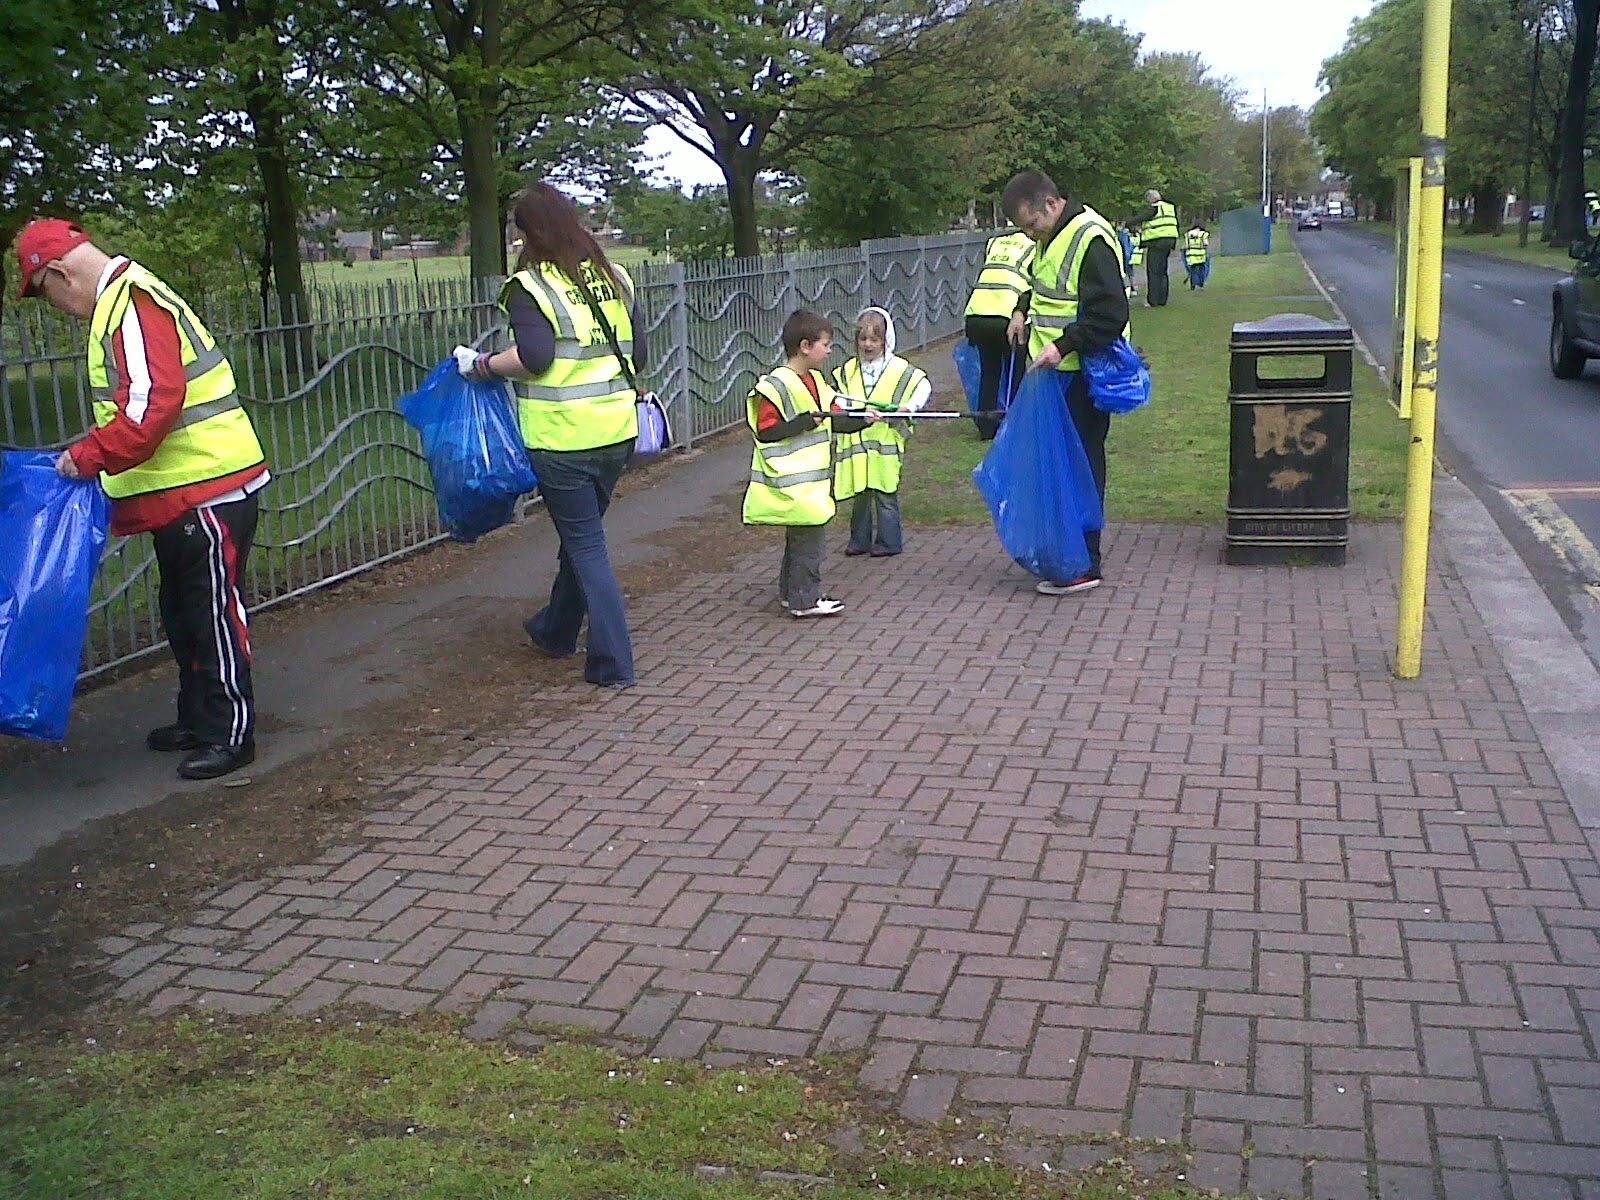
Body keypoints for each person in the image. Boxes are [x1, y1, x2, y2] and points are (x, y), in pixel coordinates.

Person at [16, 219, 269, 779]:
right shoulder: (126, 301)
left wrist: (87, 456)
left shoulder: (130, 304)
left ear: (59, 273)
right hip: (190, 490)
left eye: (45, 295)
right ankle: (200, 718)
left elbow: (150, 409)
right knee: (184, 611)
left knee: (211, 614)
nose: (54, 307)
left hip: (207, 487)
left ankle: (231, 731)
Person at [462, 181, 646, 688]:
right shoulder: (615, 277)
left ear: (529, 233)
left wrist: (483, 365)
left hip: (563, 439)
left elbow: (535, 358)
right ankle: (557, 629)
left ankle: (613, 663)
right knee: (580, 535)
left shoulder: (532, 287)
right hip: (618, 431)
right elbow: (641, 355)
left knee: (586, 545)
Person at [1002, 169, 1130, 596]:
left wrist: (1062, 345)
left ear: (1052, 205)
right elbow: (1046, 287)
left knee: (1079, 465)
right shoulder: (1052, 237)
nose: (1030, 234)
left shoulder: (1089, 238)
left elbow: (1109, 315)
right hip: (1055, 373)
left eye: (1031, 224)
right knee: (1058, 465)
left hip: (1080, 373)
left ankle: (1083, 563)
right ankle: (1065, 554)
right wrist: (1021, 309)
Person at [743, 309, 874, 617]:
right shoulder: (776, 385)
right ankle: (805, 599)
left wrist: (862, 421)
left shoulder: (816, 380)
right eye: (825, 345)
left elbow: (831, 421)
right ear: (805, 346)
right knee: (809, 544)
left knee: (800, 541)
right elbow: (766, 431)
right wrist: (802, 423)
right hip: (791, 483)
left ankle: (793, 594)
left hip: (810, 485)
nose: (829, 351)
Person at [831, 306, 931, 558]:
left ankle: (889, 541)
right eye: (863, 339)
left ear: (885, 340)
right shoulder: (848, 370)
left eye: (874, 339)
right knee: (860, 495)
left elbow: (922, 386)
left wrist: (910, 407)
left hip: (885, 443)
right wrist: (846, 412)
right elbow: (838, 398)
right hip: (857, 443)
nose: (868, 344)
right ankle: (859, 540)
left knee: (885, 494)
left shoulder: (899, 368)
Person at [962, 228, 1033, 440]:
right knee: (1015, 372)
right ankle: (1015, 424)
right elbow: (1030, 286)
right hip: (1007, 316)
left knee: (990, 372)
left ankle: (986, 427)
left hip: (977, 315)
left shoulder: (995, 242)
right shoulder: (1035, 247)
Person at [1128, 188, 1179, 307]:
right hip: (1169, 241)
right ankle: (1162, 299)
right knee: (1162, 272)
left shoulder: (1155, 207)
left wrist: (1127, 223)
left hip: (1157, 243)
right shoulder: (1169, 207)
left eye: (1148, 200)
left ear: (1151, 198)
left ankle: (1153, 300)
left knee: (1153, 272)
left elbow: (1141, 217)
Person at [1183, 222, 1211, 290]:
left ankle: (1192, 286)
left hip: (1191, 255)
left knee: (1193, 271)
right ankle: (1201, 285)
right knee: (1201, 271)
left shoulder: (1188, 234)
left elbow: (1186, 246)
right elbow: (1206, 244)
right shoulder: (1203, 234)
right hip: (1201, 255)